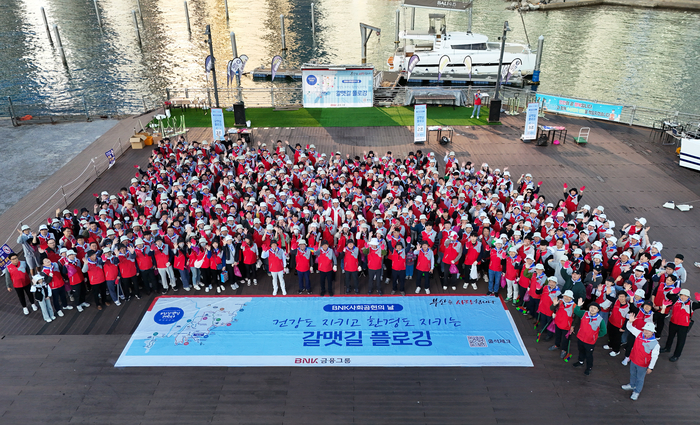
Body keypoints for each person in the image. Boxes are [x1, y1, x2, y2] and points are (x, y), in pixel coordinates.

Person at [622, 320, 659, 401]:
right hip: (634, 360)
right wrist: (630, 322)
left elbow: (654, 357)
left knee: (640, 378)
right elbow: (630, 327)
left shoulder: (655, 344)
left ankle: (637, 391)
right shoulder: (639, 334)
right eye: (645, 330)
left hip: (643, 364)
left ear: (652, 332)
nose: (646, 332)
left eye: (648, 331)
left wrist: (650, 367)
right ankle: (632, 385)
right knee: (632, 374)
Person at [660, 288, 700, 362]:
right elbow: (669, 295)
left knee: (681, 341)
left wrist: (699, 300)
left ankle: (676, 355)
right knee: (670, 336)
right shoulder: (676, 300)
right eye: (682, 295)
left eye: (685, 296)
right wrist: (671, 292)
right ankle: (667, 348)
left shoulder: (692, 304)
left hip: (684, 325)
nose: (683, 297)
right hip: (673, 322)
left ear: (688, 297)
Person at [572, 298, 607, 375]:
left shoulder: (600, 320)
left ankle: (589, 367)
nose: (592, 309)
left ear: (598, 310)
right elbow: (576, 311)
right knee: (581, 351)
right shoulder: (584, 313)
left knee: (589, 355)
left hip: (590, 341)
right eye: (591, 307)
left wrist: (595, 336)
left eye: (595, 308)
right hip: (580, 338)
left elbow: (603, 331)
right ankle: (580, 362)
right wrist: (578, 306)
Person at [549, 290, 576, 359]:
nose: (566, 298)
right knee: (557, 335)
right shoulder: (560, 302)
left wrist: (573, 326)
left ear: (571, 298)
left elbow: (576, 318)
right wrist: (554, 304)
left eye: (568, 297)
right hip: (558, 323)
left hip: (567, 326)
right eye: (565, 296)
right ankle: (556, 345)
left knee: (565, 339)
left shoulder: (574, 306)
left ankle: (564, 350)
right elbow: (551, 308)